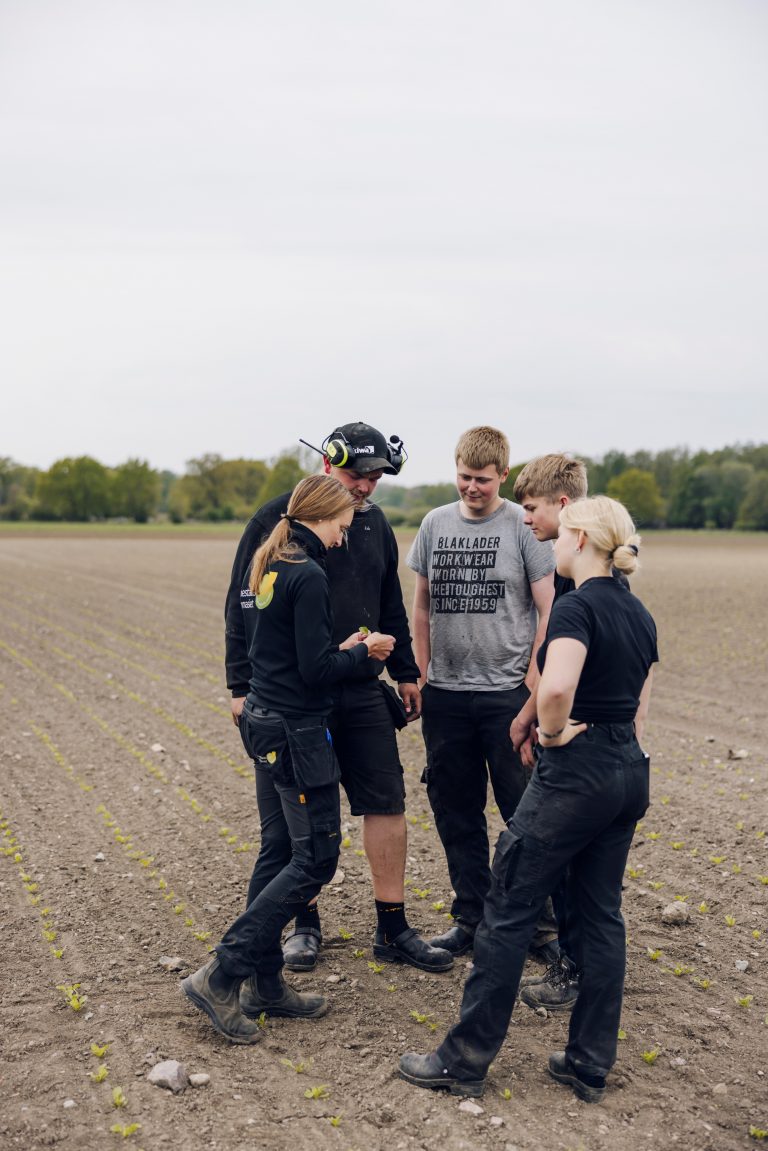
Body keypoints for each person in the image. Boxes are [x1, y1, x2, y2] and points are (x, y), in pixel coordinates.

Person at [399, 496, 658, 1103]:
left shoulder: (577, 609)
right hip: (627, 773)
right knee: (601, 916)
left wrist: (549, 732)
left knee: (509, 905)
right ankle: (589, 1061)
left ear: (580, 540)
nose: (552, 544)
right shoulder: (638, 613)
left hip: (576, 776)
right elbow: (640, 704)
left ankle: (462, 1060)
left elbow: (559, 686)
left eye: (560, 536)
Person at [224, 422, 453, 974]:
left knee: (386, 801)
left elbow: (388, 601)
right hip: (296, 700)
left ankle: (392, 927)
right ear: (328, 465)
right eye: (357, 476)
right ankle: (303, 926)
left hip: (358, 687)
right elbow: (240, 604)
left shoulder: (375, 526)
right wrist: (239, 685)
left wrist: (405, 672)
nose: (367, 488)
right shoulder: (277, 522)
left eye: (376, 478)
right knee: (289, 831)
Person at [182, 474, 396, 1042]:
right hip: (298, 732)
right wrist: (364, 653)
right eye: (343, 525)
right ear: (323, 516)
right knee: (317, 857)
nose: (346, 535)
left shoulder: (265, 564)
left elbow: (272, 652)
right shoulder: (307, 575)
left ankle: (267, 985)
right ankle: (223, 973)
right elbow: (316, 670)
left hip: (263, 722)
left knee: (278, 850)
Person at [406, 426, 557, 959]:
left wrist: (531, 687)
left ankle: (538, 927)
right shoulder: (433, 524)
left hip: (506, 694)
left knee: (524, 814)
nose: (472, 488)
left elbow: (548, 611)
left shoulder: (522, 526)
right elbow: (421, 607)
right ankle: (470, 916)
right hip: (446, 696)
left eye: (483, 480)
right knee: (456, 811)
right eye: (464, 477)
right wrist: (421, 672)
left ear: (504, 477)